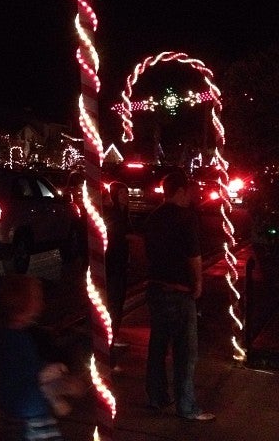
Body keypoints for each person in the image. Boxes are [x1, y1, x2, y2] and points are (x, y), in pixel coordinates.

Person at [143, 170, 215, 421]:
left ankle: (156, 396)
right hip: (179, 291)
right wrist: (198, 283)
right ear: (181, 191)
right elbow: (193, 256)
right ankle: (187, 406)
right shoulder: (186, 218)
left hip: (155, 288)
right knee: (185, 351)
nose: (194, 195)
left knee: (158, 345)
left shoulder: (153, 217)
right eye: (190, 190)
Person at [0, 274, 65, 441]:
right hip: (32, 411)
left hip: (18, 408)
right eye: (38, 297)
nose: (42, 302)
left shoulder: (11, 335)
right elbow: (32, 373)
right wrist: (50, 372)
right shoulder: (19, 339)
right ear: (26, 304)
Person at [104, 181, 132, 364]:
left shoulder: (124, 213)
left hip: (121, 263)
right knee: (113, 301)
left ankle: (114, 335)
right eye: (122, 194)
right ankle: (109, 340)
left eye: (126, 193)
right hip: (112, 264)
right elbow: (115, 236)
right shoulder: (113, 215)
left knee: (118, 301)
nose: (126, 197)